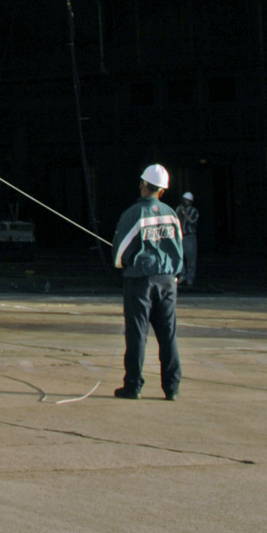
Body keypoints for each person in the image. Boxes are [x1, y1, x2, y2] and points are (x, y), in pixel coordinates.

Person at [111, 163, 186, 400]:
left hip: (141, 282)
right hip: (167, 282)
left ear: (143, 185)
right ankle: (172, 388)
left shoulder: (134, 213)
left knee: (137, 334)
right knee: (168, 335)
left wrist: (129, 263)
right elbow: (179, 249)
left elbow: (120, 254)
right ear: (162, 191)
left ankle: (133, 386)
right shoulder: (172, 214)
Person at [175, 190, 201, 288]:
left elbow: (191, 221)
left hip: (190, 237)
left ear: (190, 202)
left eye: (187, 200)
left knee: (191, 259)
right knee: (180, 257)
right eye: (184, 200)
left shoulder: (194, 211)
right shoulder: (179, 208)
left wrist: (183, 212)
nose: (185, 202)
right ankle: (182, 275)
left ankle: (190, 277)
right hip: (180, 236)